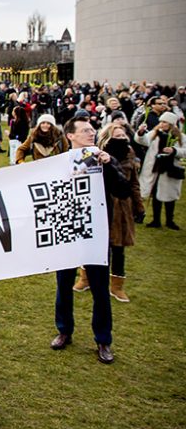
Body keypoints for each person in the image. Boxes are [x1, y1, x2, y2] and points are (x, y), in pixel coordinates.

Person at [51, 117, 131, 365]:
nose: (91, 134)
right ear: (70, 136)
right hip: (66, 231)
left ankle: (103, 339)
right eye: (85, 131)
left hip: (95, 232)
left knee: (99, 287)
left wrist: (108, 165)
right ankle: (64, 330)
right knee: (64, 284)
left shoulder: (102, 159)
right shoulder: (59, 161)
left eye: (92, 131)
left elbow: (123, 190)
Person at [96, 123, 144, 302]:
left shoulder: (130, 154)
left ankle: (117, 286)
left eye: (124, 136)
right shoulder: (97, 153)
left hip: (122, 206)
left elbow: (134, 183)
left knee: (118, 247)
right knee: (96, 244)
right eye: (117, 135)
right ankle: (86, 278)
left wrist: (139, 205)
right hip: (102, 203)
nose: (122, 139)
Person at [135, 111, 184, 230]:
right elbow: (143, 140)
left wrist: (174, 150)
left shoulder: (180, 137)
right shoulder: (155, 133)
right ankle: (156, 220)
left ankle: (169, 221)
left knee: (169, 195)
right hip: (155, 167)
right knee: (156, 194)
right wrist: (141, 133)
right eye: (161, 121)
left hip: (170, 168)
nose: (162, 124)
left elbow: (184, 150)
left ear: (171, 123)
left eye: (165, 122)